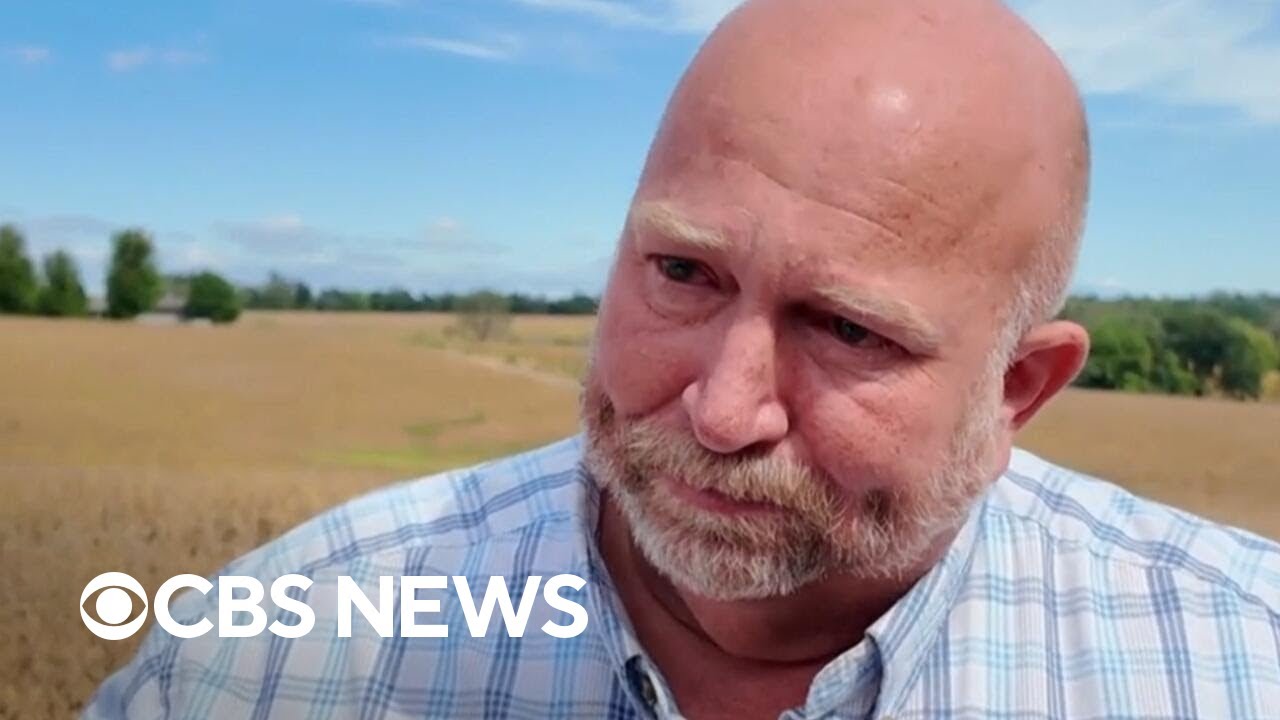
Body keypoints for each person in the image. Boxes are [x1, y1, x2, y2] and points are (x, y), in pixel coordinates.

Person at [85, 0, 1280, 717]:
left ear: (1015, 390)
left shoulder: (1236, 663)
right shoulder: (272, 657)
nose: (720, 410)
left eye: (848, 330)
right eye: (681, 273)